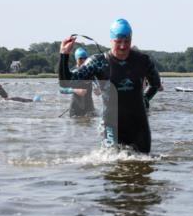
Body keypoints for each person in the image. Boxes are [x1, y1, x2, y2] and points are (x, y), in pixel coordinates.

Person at [59, 18, 162, 153]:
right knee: (110, 165)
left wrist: (145, 99)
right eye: (118, 42)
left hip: (139, 126)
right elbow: (67, 81)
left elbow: (155, 84)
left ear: (131, 39)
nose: (123, 46)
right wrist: (64, 54)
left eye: (127, 41)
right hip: (111, 126)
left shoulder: (143, 60)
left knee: (144, 165)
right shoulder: (98, 62)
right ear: (111, 40)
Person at [59, 47, 97, 117]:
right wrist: (75, 90)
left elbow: (98, 85)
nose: (83, 60)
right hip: (75, 107)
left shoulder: (91, 71)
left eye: (85, 58)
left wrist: (98, 90)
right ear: (76, 59)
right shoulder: (71, 73)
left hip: (89, 106)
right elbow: (61, 89)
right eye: (80, 58)